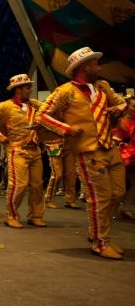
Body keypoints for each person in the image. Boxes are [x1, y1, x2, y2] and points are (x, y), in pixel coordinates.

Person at [37, 47, 126, 259]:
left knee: (119, 193)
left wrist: (118, 109)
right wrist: (66, 129)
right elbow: (42, 116)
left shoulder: (103, 87)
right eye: (96, 64)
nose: (99, 67)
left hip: (110, 148)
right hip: (89, 152)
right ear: (85, 67)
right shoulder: (65, 91)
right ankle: (100, 242)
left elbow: (121, 102)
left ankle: (100, 233)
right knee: (100, 198)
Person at [0, 74, 46, 229]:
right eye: (28, 87)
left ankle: (36, 215)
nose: (31, 90)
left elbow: (48, 110)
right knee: (19, 185)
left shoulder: (33, 105)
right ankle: (11, 215)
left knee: (37, 185)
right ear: (18, 89)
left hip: (35, 150)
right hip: (17, 150)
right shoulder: (6, 106)